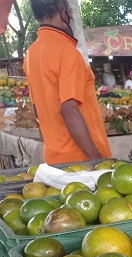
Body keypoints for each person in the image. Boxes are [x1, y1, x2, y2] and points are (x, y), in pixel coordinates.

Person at [23, 0, 111, 164]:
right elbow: (69, 110)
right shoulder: (68, 53)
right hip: (82, 160)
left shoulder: (31, 54)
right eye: (70, 13)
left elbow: (37, 110)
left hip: (54, 158)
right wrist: (97, 160)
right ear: (63, 13)